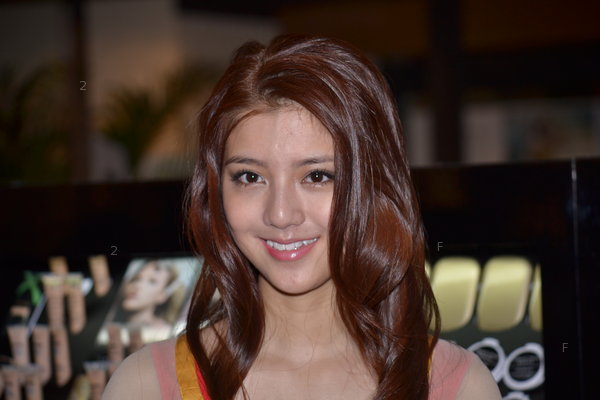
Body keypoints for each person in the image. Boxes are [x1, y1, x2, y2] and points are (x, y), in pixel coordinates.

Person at [103, 34, 501, 399]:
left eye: (317, 176)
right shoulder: (146, 385)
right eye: (250, 177)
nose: (280, 214)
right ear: (216, 190)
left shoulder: (456, 385)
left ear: (375, 186)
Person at [119, 260, 177, 329]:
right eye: (136, 278)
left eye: (152, 282)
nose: (137, 285)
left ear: (162, 295)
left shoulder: (163, 330)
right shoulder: (113, 321)